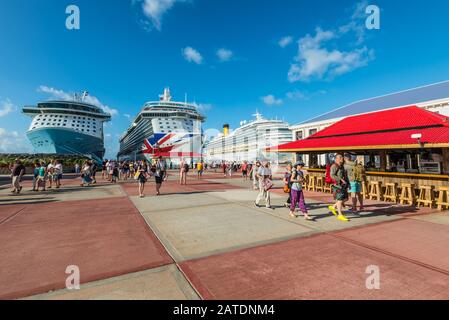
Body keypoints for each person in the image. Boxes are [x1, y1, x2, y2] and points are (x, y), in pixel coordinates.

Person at [328, 154, 350, 222]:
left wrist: (348, 183)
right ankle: (340, 215)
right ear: (336, 159)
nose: (342, 158)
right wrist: (340, 179)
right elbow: (332, 175)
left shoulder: (342, 166)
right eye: (340, 157)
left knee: (346, 198)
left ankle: (333, 206)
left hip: (343, 185)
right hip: (337, 186)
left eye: (342, 157)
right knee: (340, 200)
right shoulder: (334, 166)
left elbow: (345, 176)